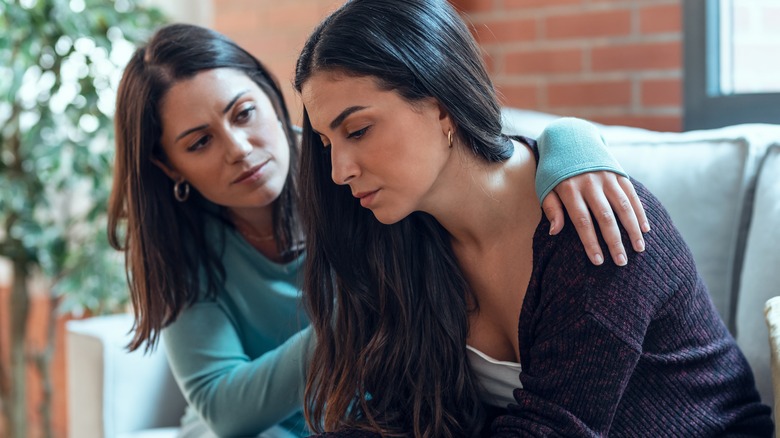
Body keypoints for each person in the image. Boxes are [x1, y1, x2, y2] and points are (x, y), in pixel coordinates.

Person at [107, 23, 649, 438]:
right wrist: (362, 308)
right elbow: (224, 409)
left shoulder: (360, 178)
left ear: (272, 101)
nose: (239, 149)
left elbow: (476, 149)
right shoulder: (186, 248)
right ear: (169, 167)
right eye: (199, 142)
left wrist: (575, 145)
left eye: (244, 113)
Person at [293, 0, 774, 437]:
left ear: (440, 107)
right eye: (327, 143)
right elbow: (405, 415)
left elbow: (553, 429)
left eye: (358, 130)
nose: (339, 171)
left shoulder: (592, 224)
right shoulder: (405, 238)